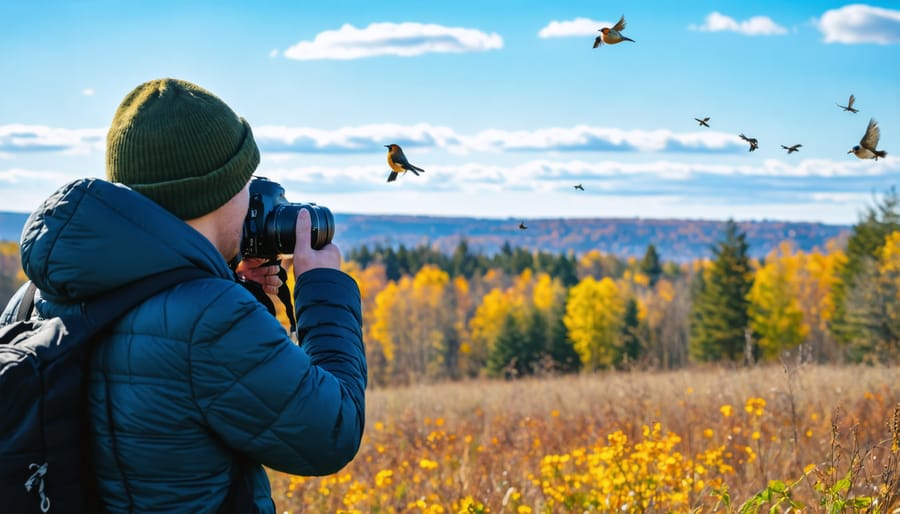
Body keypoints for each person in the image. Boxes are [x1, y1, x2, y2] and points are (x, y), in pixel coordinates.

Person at [1, 78, 367, 513]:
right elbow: (330, 433)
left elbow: (165, 373)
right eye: (245, 180)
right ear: (218, 191)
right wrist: (322, 288)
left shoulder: (35, 295)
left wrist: (234, 292)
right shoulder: (210, 316)